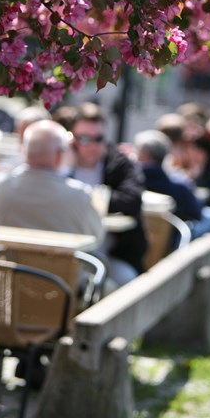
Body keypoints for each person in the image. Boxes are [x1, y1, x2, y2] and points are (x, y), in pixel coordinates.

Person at [0, 119, 104, 244]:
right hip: (61, 263)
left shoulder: (0, 188)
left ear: (24, 150)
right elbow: (96, 237)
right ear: (59, 154)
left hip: (9, 262)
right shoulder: (79, 196)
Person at [68, 102, 148, 284]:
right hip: (64, 250)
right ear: (72, 138)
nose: (92, 145)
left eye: (99, 138)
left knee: (127, 281)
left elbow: (132, 199)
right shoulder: (60, 160)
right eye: (85, 138)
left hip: (107, 252)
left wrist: (87, 199)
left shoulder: (118, 163)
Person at [134, 130, 202, 223]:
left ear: (145, 154)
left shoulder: (130, 181)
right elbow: (196, 213)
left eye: (137, 151)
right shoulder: (179, 186)